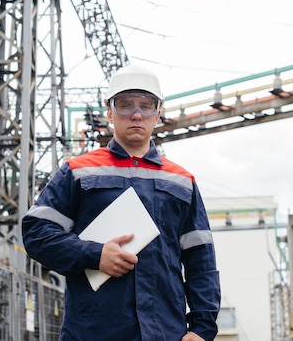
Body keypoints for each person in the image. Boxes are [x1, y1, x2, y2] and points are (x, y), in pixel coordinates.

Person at [22, 64, 221, 341]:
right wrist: (94, 255)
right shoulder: (78, 171)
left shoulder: (181, 181)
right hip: (92, 333)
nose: (136, 114)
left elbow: (201, 260)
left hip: (165, 332)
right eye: (125, 104)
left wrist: (202, 328)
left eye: (146, 105)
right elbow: (36, 233)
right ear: (110, 113)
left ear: (158, 114)